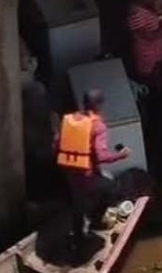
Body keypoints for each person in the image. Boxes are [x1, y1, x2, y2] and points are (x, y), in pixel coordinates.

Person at [55, 89, 131, 254]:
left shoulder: (71, 119)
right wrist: (120, 155)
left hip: (69, 172)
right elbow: (101, 156)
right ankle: (96, 220)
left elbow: (57, 143)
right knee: (112, 188)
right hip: (85, 175)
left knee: (78, 202)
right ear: (98, 105)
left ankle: (78, 237)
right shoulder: (98, 126)